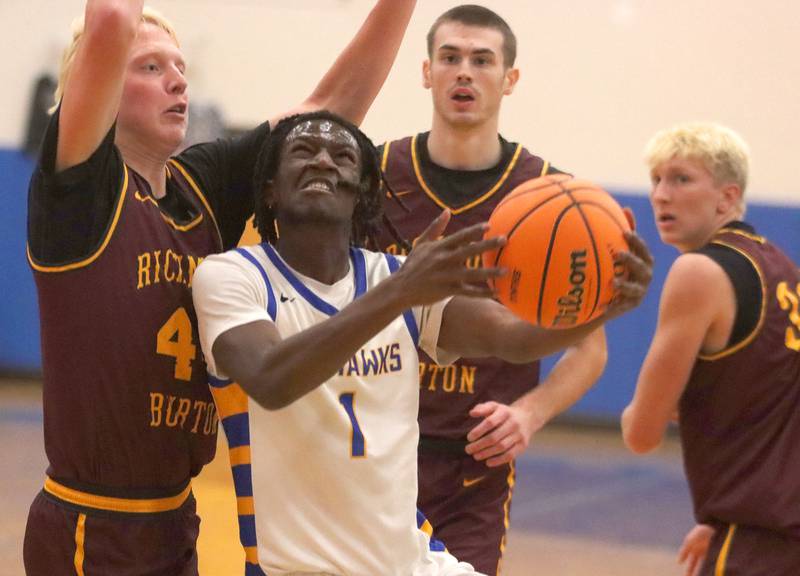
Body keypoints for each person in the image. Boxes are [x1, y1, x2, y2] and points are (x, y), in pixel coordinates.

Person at [23, 1, 417, 574]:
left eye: (179, 67)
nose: (177, 80)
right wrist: (115, 33)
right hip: (93, 525)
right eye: (150, 67)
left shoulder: (200, 187)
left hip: (174, 520)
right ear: (98, 83)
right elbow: (109, 19)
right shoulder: (79, 192)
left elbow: (330, 109)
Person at [191, 110, 653, 575]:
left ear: (363, 194)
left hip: (412, 562)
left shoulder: (394, 278)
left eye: (343, 156)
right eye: (304, 150)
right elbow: (270, 379)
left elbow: (512, 338)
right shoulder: (233, 277)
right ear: (270, 188)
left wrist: (606, 304)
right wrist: (401, 292)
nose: (324, 161)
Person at [374, 6, 607, 572]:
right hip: (369, 453)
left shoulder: (552, 197)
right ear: (426, 71)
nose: (464, 72)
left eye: (482, 60)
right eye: (450, 57)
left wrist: (530, 413)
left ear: (509, 79)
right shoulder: (373, 176)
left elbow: (589, 347)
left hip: (471, 473)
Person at [621, 122, 800, 575]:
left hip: (762, 538)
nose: (661, 195)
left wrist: (591, 322)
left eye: (681, 179)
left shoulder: (697, 273)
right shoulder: (781, 268)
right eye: (656, 179)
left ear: (727, 196)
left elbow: (641, 434)